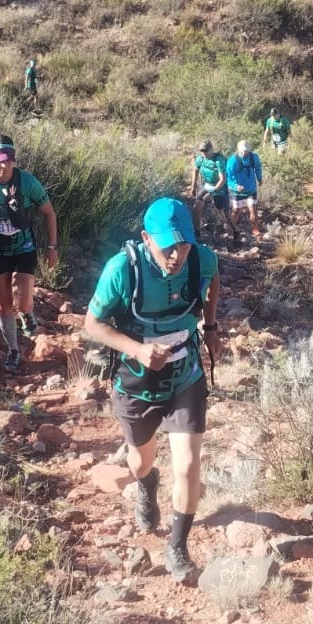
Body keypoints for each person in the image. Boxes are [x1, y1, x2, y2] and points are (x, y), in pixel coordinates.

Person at [83, 198, 220, 579]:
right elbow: (92, 324)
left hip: (185, 376)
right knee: (140, 461)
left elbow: (213, 282)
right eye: (166, 247)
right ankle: (146, 482)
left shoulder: (201, 259)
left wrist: (210, 328)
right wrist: (139, 350)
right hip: (136, 382)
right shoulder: (122, 270)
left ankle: (177, 548)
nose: (176, 255)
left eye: (184, 245)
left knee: (189, 466)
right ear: (146, 238)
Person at [0, 136, 60, 373]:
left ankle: (27, 313)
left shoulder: (27, 182)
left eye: (8, 160)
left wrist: (52, 248)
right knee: (3, 303)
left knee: (22, 300)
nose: (3, 166)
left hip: (23, 247)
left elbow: (49, 213)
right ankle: (13, 350)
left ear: (14, 160)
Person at [189, 140, 237, 240]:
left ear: (211, 149)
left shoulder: (218, 160)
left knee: (225, 211)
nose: (204, 153)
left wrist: (213, 192)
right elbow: (195, 171)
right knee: (197, 206)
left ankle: (236, 231)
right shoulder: (200, 159)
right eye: (201, 151)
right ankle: (196, 231)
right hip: (207, 185)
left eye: (206, 151)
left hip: (220, 187)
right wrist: (193, 186)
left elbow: (223, 179)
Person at [225, 140, 263, 241]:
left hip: (251, 189)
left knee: (253, 209)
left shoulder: (253, 157)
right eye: (242, 151)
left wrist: (259, 179)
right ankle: (232, 229)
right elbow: (228, 177)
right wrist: (235, 186)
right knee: (236, 211)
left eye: (246, 151)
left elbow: (258, 168)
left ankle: (255, 229)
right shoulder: (232, 161)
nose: (244, 153)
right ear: (237, 150)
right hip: (237, 191)